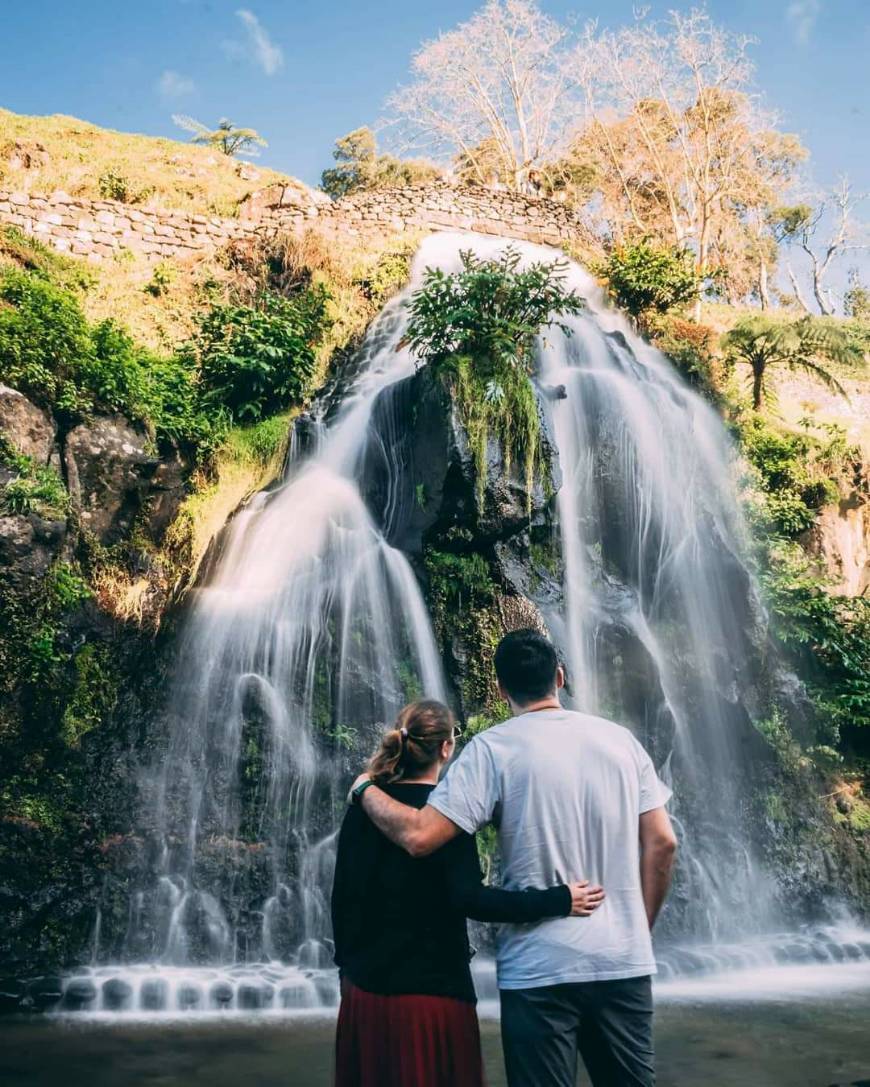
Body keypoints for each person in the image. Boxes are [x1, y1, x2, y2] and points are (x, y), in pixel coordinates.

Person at [351, 630, 678, 1087]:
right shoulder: (621, 742)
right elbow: (663, 843)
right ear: (559, 678)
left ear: (501, 689)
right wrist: (637, 926)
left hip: (539, 967)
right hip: (622, 959)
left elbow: (420, 838)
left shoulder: (491, 750)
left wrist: (365, 789)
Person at [333, 698, 605, 1087]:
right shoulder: (446, 814)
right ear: (447, 747)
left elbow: (342, 896)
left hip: (366, 992)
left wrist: (346, 968)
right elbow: (471, 900)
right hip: (431, 996)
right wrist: (560, 899)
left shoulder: (364, 807)